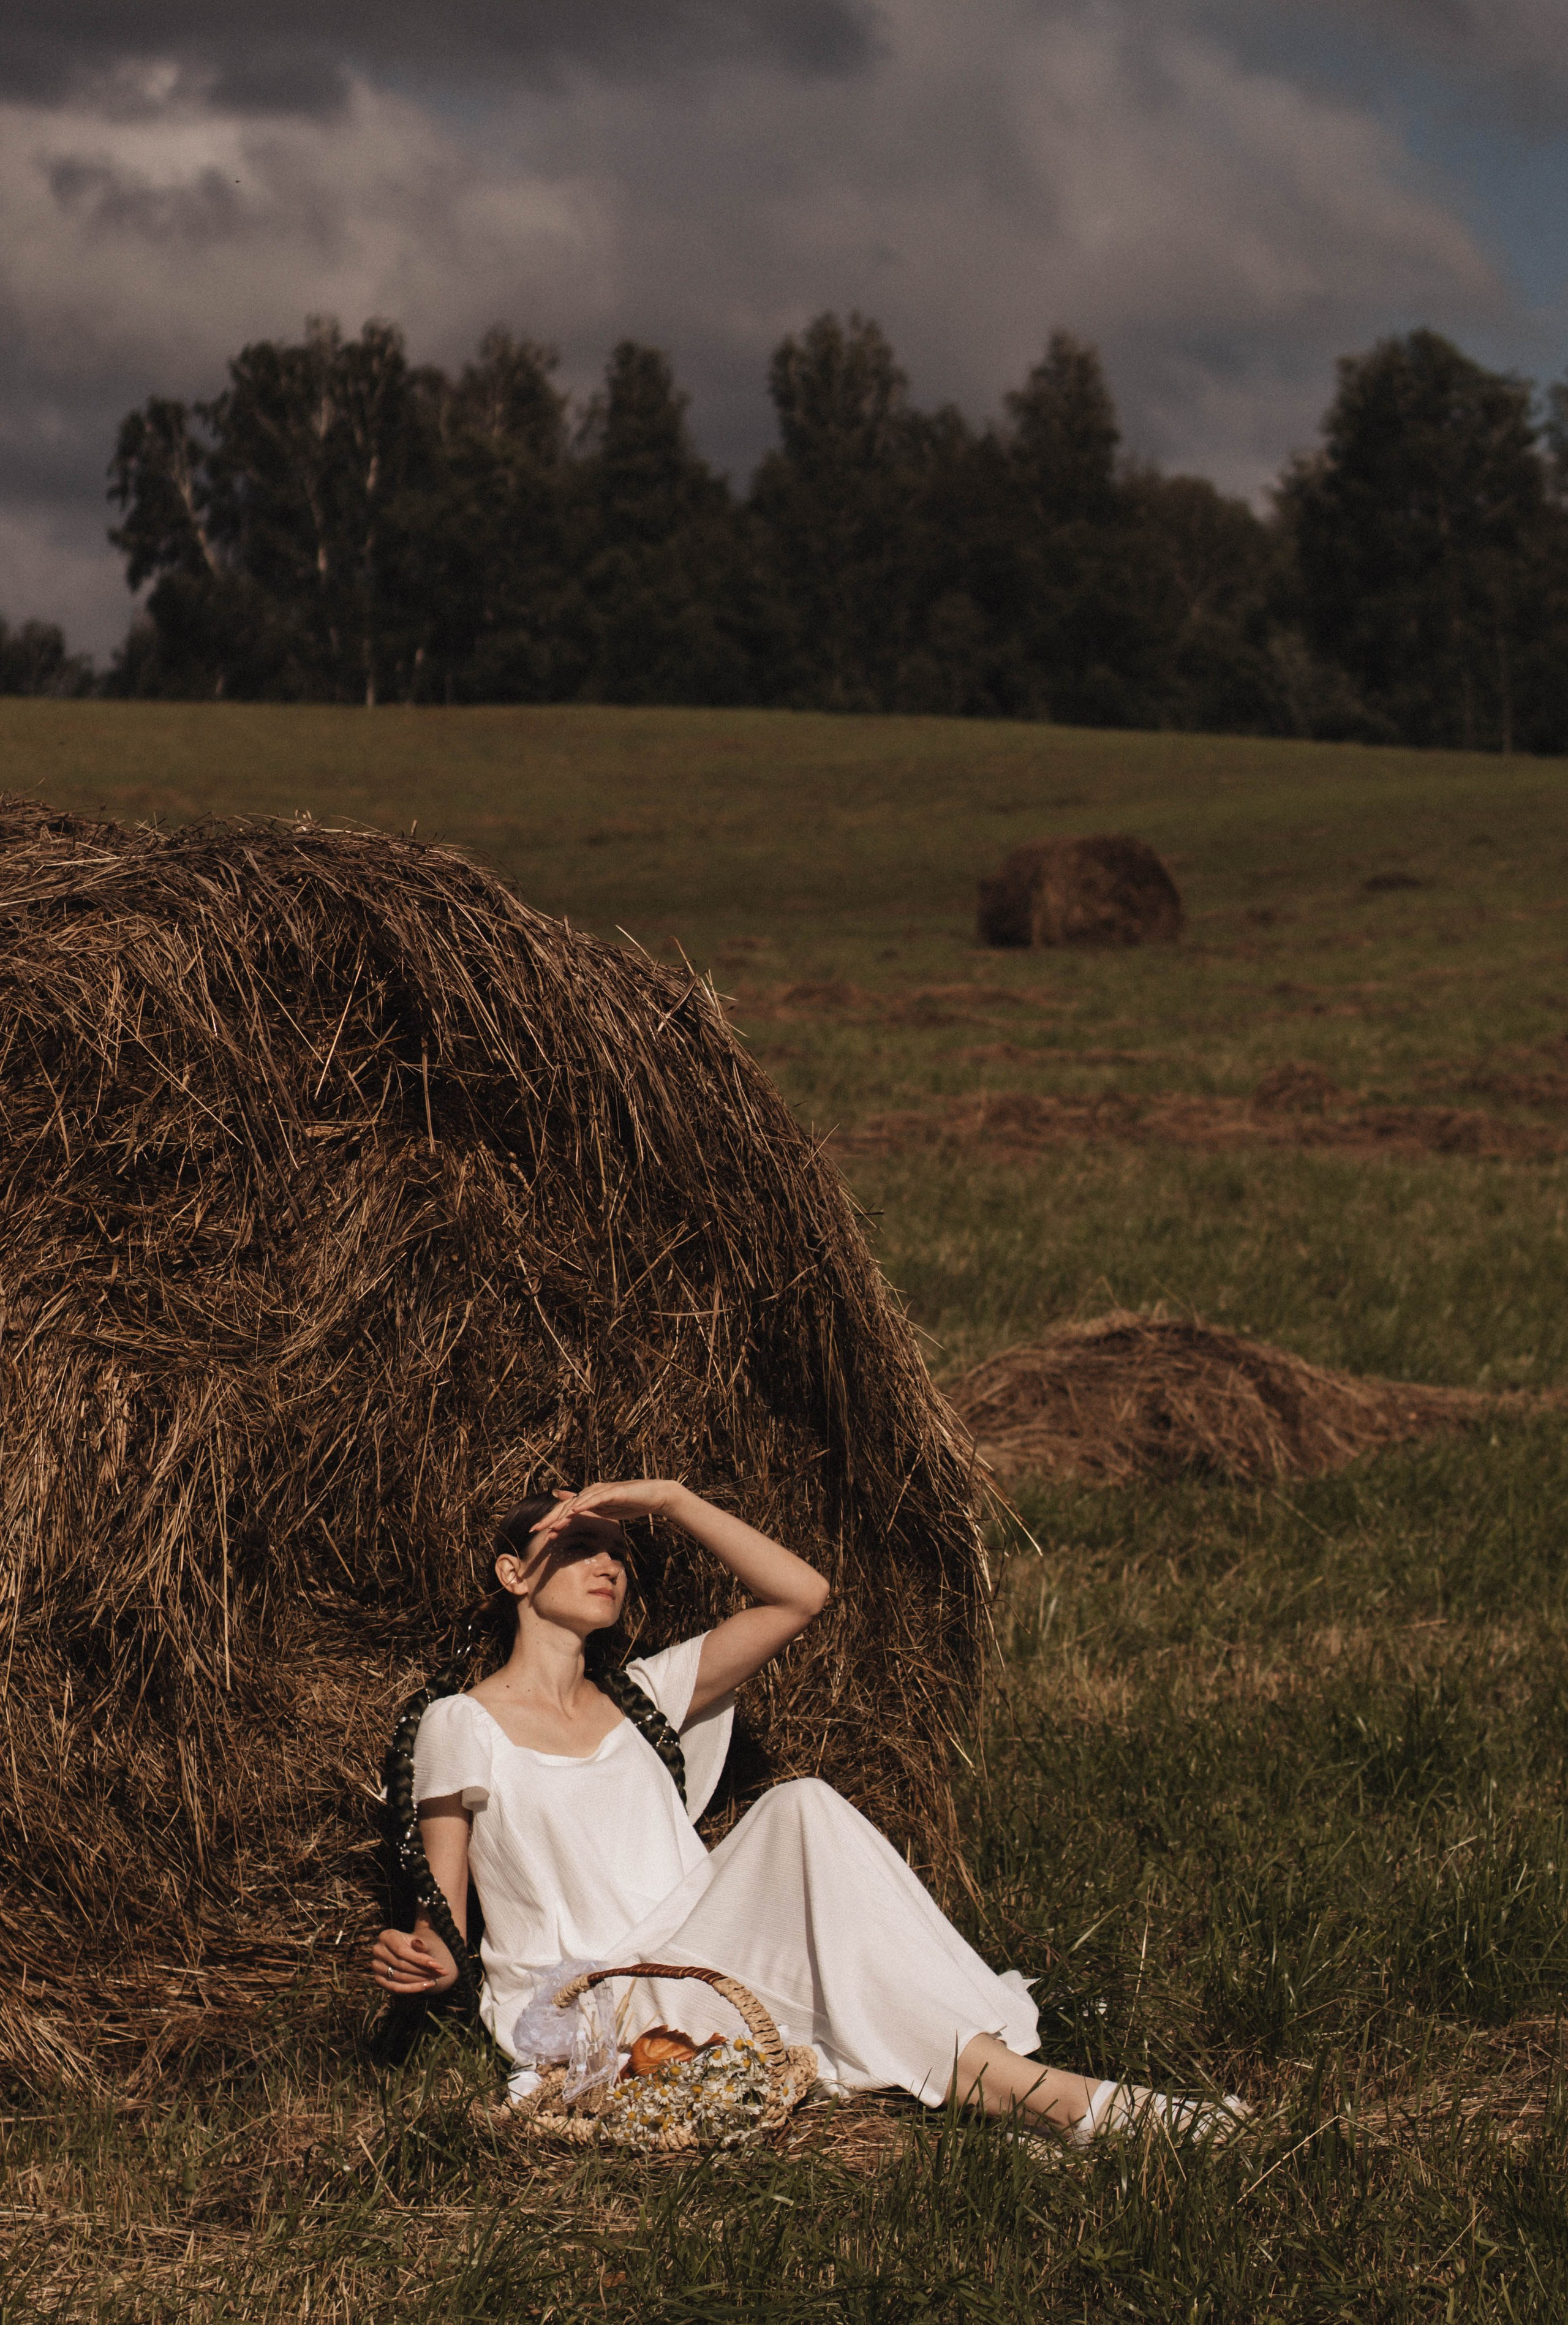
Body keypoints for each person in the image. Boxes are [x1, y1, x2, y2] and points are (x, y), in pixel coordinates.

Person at [370, 1482, 1246, 2145]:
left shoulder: (643, 1698)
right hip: (601, 2004)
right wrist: (429, 1965)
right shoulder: (461, 1723)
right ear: (514, 1572)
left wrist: (671, 1500)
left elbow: (803, 1595)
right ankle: (1079, 2106)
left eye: (619, 1552)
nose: (608, 1563)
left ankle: (1055, 2101)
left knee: (806, 1811)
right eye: (579, 1546)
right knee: (798, 1811)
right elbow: (441, 1919)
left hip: (699, 1962)